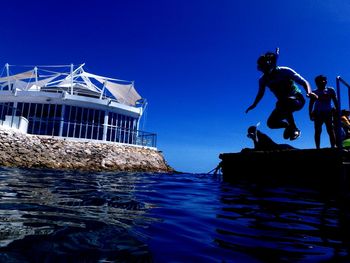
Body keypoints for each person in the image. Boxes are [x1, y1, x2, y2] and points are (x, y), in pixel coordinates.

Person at [246, 49, 317, 140]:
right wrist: (254, 104)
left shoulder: (284, 71)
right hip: (283, 104)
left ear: (271, 64)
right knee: (271, 123)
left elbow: (304, 82)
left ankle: (294, 128)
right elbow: (260, 93)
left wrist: (309, 92)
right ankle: (288, 126)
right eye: (263, 69)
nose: (266, 72)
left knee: (282, 103)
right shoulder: (263, 80)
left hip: (297, 99)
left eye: (267, 68)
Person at [308, 75, 338, 149]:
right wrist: (310, 114)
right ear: (317, 83)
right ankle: (318, 147)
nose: (323, 82)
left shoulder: (330, 90)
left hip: (328, 112)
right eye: (321, 80)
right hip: (318, 113)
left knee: (330, 130)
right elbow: (311, 104)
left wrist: (337, 111)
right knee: (318, 131)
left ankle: (333, 146)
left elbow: (336, 102)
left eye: (324, 80)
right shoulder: (314, 92)